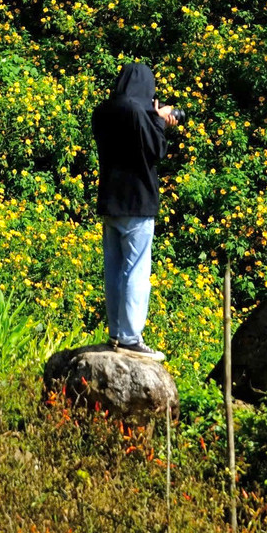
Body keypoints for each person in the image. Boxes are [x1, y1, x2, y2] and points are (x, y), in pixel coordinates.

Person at [92, 62, 181, 361]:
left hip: (110, 201)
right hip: (138, 203)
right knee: (136, 271)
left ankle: (116, 332)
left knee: (114, 271)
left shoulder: (103, 111)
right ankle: (131, 338)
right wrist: (159, 122)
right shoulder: (137, 113)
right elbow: (155, 151)